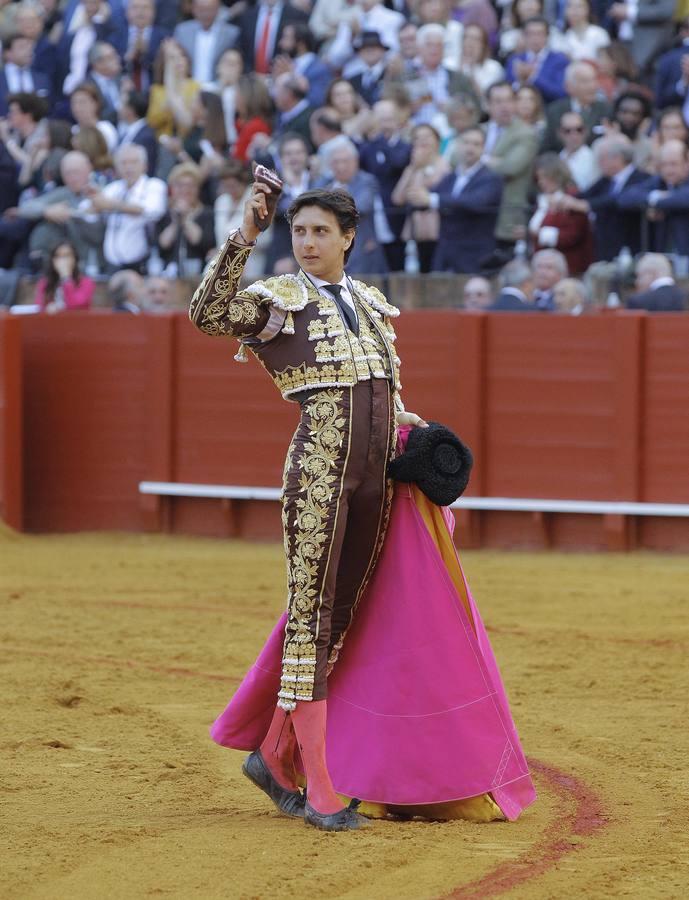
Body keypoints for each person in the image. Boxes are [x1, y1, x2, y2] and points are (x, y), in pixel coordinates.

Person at [189, 179, 426, 832]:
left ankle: (273, 755)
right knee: (312, 619)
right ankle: (318, 787)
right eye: (299, 232)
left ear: (348, 237)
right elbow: (208, 315)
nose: (308, 243)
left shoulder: (370, 304)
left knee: (343, 616)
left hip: (374, 481)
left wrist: (420, 440)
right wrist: (246, 235)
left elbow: (388, 398)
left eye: (320, 231)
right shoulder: (278, 304)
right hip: (318, 477)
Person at [410, 126, 503, 273]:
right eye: (466, 143)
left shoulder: (491, 178)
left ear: (483, 148)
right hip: (445, 254)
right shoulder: (450, 178)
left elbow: (476, 202)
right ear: (458, 145)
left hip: (475, 255)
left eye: (476, 144)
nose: (470, 148)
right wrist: (418, 192)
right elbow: (422, 201)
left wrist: (433, 200)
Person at [90, 143, 167, 273]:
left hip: (142, 266)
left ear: (145, 166)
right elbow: (91, 210)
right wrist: (92, 198)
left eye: (134, 162)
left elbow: (153, 210)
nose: (128, 167)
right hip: (111, 266)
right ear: (117, 168)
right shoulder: (113, 188)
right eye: (124, 163)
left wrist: (112, 205)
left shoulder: (154, 185)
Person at [391, 123, 450, 273]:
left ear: (437, 141)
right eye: (417, 138)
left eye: (427, 136)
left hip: (436, 231)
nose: (422, 141)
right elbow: (398, 198)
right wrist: (412, 168)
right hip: (415, 231)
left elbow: (427, 189)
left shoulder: (444, 165)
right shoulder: (413, 168)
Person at [529, 154, 593, 276]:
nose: (541, 182)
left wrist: (540, 234)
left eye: (545, 177)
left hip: (569, 267)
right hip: (543, 266)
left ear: (557, 176)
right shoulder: (542, 199)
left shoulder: (572, 197)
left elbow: (573, 235)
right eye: (539, 178)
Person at [156, 162, 215, 275]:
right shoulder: (164, 213)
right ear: (172, 189)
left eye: (190, 186)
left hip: (198, 273)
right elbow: (162, 244)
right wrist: (175, 221)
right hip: (169, 273)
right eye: (179, 185)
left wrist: (186, 219)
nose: (185, 190)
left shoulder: (207, 213)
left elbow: (202, 241)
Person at [33, 240, 95, 311]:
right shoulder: (44, 283)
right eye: (58, 256)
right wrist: (48, 308)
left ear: (74, 259)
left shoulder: (86, 282)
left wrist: (66, 279)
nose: (62, 260)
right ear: (52, 260)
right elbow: (39, 307)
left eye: (67, 256)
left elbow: (77, 305)